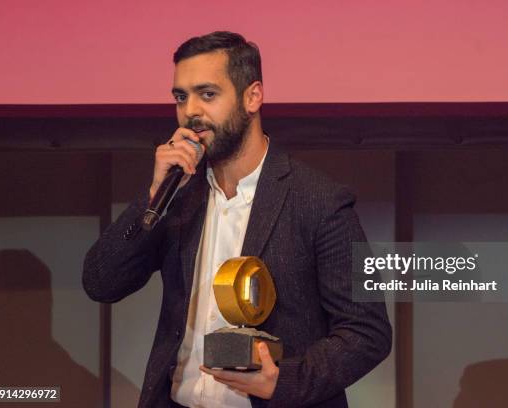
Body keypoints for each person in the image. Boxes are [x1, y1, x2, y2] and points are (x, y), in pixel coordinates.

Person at [83, 31, 392, 408]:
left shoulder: (319, 200)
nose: (191, 111)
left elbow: (367, 332)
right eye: (181, 97)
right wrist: (152, 198)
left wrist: (281, 381)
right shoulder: (177, 197)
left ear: (253, 96)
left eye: (207, 94)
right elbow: (101, 283)